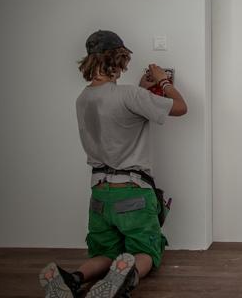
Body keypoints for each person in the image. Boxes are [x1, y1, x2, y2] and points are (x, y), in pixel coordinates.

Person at [39, 30, 187, 298]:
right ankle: (125, 279)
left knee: (106, 253)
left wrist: (142, 90)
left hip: (99, 193)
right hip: (132, 192)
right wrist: (163, 81)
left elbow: (117, 120)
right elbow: (180, 107)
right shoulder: (129, 95)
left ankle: (73, 278)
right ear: (119, 60)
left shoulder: (83, 99)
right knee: (145, 251)